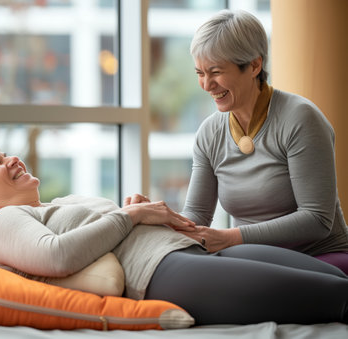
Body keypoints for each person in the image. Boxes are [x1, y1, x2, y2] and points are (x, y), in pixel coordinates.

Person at [0, 137, 348, 325]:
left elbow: (104, 234)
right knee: (337, 297)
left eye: (4, 152)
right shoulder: (4, 223)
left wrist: (133, 212)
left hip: (190, 250)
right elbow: (57, 256)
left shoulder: (56, 204)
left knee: (335, 278)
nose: (11, 159)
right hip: (163, 273)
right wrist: (130, 218)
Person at [129, 9, 348, 273]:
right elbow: (197, 216)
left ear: (255, 65)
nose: (207, 84)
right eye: (200, 73)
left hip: (321, 259)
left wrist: (231, 237)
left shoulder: (300, 118)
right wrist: (159, 219)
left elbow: (317, 219)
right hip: (254, 259)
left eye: (216, 72)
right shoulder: (209, 133)